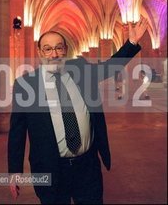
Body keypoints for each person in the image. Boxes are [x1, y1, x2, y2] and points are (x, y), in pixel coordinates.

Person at [8, 17, 148, 204]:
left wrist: (132, 42)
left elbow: (109, 68)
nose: (54, 53)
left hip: (87, 166)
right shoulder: (26, 85)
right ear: (40, 52)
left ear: (65, 50)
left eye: (58, 47)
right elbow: (17, 132)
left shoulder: (79, 70)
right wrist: (14, 171)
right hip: (51, 169)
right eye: (48, 49)